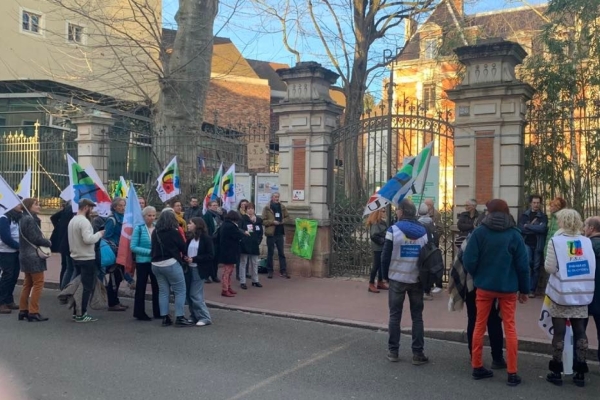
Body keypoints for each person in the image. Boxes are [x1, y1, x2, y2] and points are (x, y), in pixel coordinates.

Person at [463, 199, 529, 386]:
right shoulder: (514, 234)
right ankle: (512, 372)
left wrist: (478, 276)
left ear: (489, 213)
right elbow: (523, 266)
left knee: (479, 325)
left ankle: (477, 366)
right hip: (508, 288)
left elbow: (469, 259)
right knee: (510, 327)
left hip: (484, 286)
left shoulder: (480, 232)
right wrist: (524, 289)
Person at [447, 212, 507, 371]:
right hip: (493, 285)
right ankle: (497, 358)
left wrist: (475, 275)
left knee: (474, 320)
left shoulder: (471, 238)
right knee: (494, 321)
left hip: (472, 285)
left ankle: (474, 356)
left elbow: (461, 263)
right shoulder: (499, 238)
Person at [544, 209, 596, 387]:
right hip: (581, 292)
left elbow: (550, 268)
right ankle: (580, 372)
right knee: (580, 331)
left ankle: (556, 371)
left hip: (562, 293)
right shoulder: (585, 241)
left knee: (559, 332)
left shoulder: (555, 241)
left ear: (563, 222)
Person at [381, 199, 429, 366]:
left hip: (397, 278)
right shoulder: (424, 232)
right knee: (417, 317)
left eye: (397, 210)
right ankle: (418, 353)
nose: (396, 213)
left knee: (395, 316)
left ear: (402, 212)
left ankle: (393, 351)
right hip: (417, 279)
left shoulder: (393, 230)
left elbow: (385, 255)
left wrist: (384, 275)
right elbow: (428, 256)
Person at [151, 209, 193, 327]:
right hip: (170, 263)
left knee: (163, 291)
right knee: (180, 290)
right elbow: (182, 247)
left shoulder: (155, 232)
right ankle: (179, 317)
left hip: (155, 264)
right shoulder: (174, 232)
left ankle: (165, 317)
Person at [68, 199, 104, 322]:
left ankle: (76, 312)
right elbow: (88, 239)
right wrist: (99, 234)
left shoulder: (73, 220)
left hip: (75, 256)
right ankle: (82, 313)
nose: (92, 211)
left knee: (78, 286)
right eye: (91, 208)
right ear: (86, 207)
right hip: (86, 257)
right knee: (86, 287)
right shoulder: (84, 222)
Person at [17, 198, 52, 322]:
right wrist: (48, 242)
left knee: (28, 283)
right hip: (33, 256)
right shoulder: (30, 220)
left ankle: (23, 310)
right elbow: (35, 239)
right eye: (36, 204)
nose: (38, 206)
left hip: (24, 254)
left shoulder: (22, 219)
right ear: (29, 206)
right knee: (38, 283)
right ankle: (33, 311)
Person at [130, 206, 160, 321]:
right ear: (144, 216)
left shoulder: (157, 227)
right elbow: (133, 247)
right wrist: (150, 252)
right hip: (142, 262)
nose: (152, 218)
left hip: (155, 262)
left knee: (157, 287)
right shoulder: (139, 228)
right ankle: (139, 312)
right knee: (141, 287)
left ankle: (158, 311)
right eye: (149, 215)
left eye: (153, 215)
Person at [518, 194, 548, 297]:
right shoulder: (524, 215)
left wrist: (528, 226)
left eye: (538, 203)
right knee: (527, 264)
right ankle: (525, 288)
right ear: (530, 203)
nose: (536, 205)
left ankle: (532, 290)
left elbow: (543, 229)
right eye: (534, 203)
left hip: (538, 244)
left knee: (536, 267)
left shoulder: (543, 216)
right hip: (527, 243)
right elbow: (521, 229)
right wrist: (535, 228)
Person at [185, 217, 213, 326]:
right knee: (188, 293)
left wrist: (194, 259)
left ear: (197, 225)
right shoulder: (190, 238)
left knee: (195, 294)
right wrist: (186, 258)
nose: (188, 225)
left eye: (190, 223)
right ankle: (194, 315)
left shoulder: (206, 238)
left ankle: (205, 317)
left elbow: (210, 255)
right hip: (189, 268)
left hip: (199, 269)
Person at [103, 197, 129, 312]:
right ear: (115, 207)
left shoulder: (124, 218)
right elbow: (107, 237)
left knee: (119, 277)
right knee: (115, 277)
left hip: (123, 251)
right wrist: (116, 246)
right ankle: (112, 303)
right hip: (115, 252)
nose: (123, 208)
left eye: (124, 205)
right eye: (120, 205)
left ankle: (115, 300)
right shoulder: (112, 219)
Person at [218, 210, 249, 297]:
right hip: (229, 251)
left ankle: (228, 287)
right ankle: (225, 289)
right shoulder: (230, 226)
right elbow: (237, 234)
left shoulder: (226, 224)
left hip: (228, 250)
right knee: (227, 271)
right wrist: (244, 233)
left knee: (230, 270)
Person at [584, 216, 600, 370]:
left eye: (585, 225)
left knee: (580, 331)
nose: (584, 228)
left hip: (586, 295)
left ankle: (580, 366)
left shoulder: (585, 246)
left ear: (591, 228)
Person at [0, 204, 22, 314]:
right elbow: (6, 238)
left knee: (14, 276)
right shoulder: (4, 218)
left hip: (15, 252)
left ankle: (9, 299)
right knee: (7, 276)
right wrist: (18, 246)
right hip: (5, 252)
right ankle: (1, 302)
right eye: (18, 203)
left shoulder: (16, 218)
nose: (20, 205)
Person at [262, 192, 290, 279]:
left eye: (278, 197)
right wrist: (272, 222)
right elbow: (263, 221)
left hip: (280, 232)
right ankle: (270, 270)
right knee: (270, 252)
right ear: (272, 198)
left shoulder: (282, 207)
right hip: (271, 233)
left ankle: (283, 270)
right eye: (275, 197)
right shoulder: (267, 208)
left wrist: (282, 221)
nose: (276, 198)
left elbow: (287, 217)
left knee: (281, 252)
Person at [418, 203, 441, 298]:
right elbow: (435, 235)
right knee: (428, 270)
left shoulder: (418, 223)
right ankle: (427, 289)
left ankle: (424, 290)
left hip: (422, 249)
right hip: (430, 249)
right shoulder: (431, 222)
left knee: (422, 270)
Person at [239, 203, 263, 289]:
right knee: (243, 263)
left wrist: (258, 241)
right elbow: (239, 229)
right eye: (248, 208)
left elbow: (260, 232)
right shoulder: (242, 219)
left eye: (252, 208)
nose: (250, 210)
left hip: (254, 244)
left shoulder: (258, 220)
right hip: (245, 244)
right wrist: (244, 235)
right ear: (245, 210)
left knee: (255, 263)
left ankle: (255, 280)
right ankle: (243, 281)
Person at [366, 208, 388, 293]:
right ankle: (371, 284)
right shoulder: (375, 223)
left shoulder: (381, 222)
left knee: (381, 265)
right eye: (383, 211)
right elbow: (374, 235)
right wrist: (383, 241)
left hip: (381, 247)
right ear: (378, 212)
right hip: (377, 247)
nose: (385, 212)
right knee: (376, 265)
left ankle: (380, 282)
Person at [203, 200, 222, 284]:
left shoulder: (218, 215)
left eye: (216, 205)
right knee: (209, 258)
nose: (215, 207)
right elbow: (205, 228)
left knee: (216, 259)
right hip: (210, 239)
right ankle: (206, 276)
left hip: (217, 239)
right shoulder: (207, 215)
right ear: (209, 206)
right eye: (213, 205)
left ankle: (214, 275)